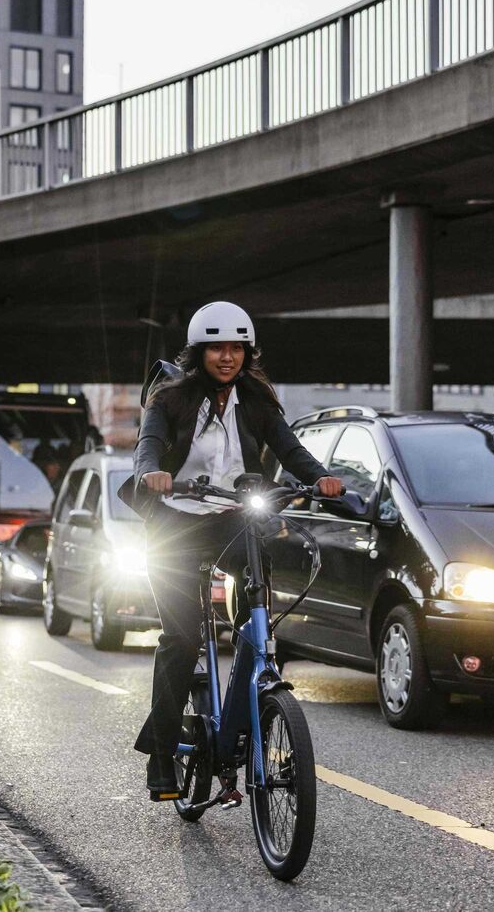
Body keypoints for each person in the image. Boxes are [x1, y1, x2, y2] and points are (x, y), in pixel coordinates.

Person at [128, 301, 343, 799]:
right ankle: (162, 755)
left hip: (230, 521)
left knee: (260, 609)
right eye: (217, 348)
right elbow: (149, 444)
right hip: (174, 525)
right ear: (199, 352)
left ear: (248, 352)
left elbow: (291, 449)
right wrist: (150, 474)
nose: (227, 357)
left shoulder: (257, 400)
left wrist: (321, 478)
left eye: (237, 348)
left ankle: (254, 696)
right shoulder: (170, 398)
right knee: (181, 640)